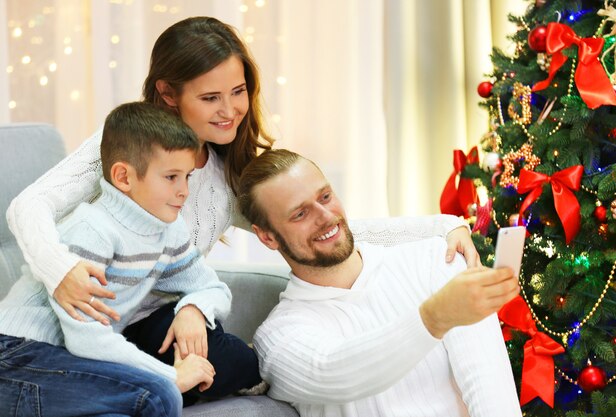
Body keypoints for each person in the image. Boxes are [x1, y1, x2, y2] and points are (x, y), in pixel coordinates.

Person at [5, 16, 478, 399]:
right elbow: (28, 206)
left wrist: (441, 226)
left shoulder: (230, 178)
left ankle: (134, 386)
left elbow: (318, 222)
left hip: (136, 328)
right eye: (210, 97)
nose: (230, 110)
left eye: (238, 92)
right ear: (169, 94)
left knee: (235, 358)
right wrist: (60, 269)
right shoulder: (128, 145)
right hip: (58, 329)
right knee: (216, 361)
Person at [237, 149, 524, 417]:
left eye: (325, 197)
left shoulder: (436, 259)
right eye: (300, 214)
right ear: (267, 237)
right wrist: (435, 317)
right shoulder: (278, 337)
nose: (325, 217)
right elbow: (339, 371)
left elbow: (490, 388)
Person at [0, 102, 231, 416]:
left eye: (187, 177)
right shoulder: (92, 231)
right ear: (124, 177)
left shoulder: (168, 229)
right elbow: (87, 340)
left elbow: (214, 288)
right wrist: (171, 375)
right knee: (160, 395)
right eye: (171, 177)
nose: (184, 192)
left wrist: (192, 308)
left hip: (63, 360)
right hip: (16, 354)